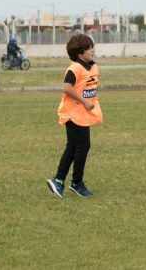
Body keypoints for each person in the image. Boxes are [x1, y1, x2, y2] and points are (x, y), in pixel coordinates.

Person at [46, 34, 102, 198]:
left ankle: (59, 181)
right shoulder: (74, 68)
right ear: (80, 53)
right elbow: (67, 87)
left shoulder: (93, 67)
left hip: (83, 114)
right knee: (83, 146)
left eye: (92, 46)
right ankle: (76, 183)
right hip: (72, 113)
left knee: (73, 147)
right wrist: (84, 101)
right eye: (89, 47)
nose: (93, 49)